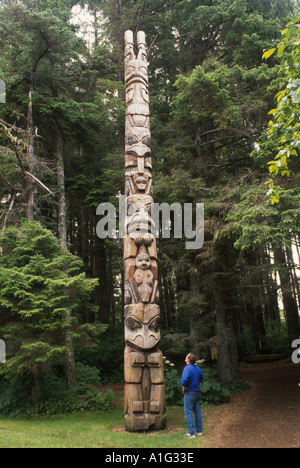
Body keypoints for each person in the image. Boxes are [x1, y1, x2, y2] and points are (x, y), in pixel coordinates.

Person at [181, 353, 204, 439]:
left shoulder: (187, 368)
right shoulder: (197, 368)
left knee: (188, 412)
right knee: (197, 411)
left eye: (186, 356)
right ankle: (199, 431)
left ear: (188, 360)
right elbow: (202, 377)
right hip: (197, 392)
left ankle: (191, 432)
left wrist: (185, 386)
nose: (185, 357)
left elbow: (184, 380)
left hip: (190, 392)